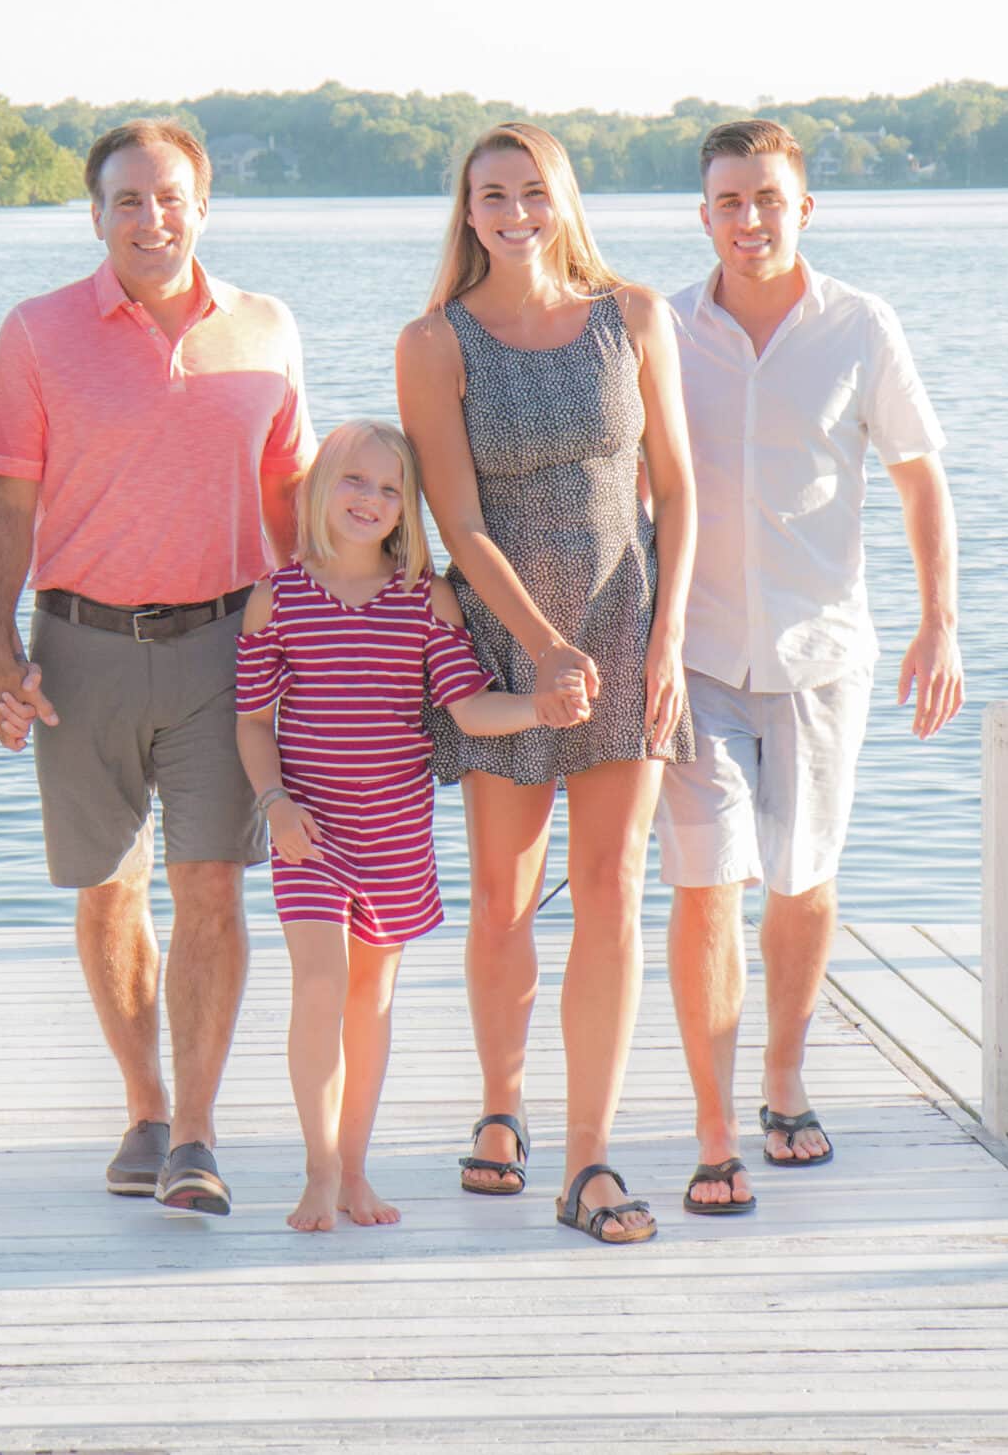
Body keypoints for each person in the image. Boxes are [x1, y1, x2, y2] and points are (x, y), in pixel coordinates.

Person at [0, 118, 314, 1218]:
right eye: (126, 200)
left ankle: (199, 1135)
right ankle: (145, 1107)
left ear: (202, 206)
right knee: (107, 888)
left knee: (212, 883)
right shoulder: (35, 334)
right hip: (79, 647)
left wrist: (314, 650)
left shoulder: (265, 329)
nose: (149, 218)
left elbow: (291, 506)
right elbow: (6, 505)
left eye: (169, 197)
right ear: (96, 215)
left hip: (228, 646)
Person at [394, 121, 695, 1246]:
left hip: (627, 630)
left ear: (562, 200)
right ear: (465, 212)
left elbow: (680, 491)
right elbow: (455, 520)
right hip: (504, 641)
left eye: (531, 191)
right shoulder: (435, 342)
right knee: (503, 900)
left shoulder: (635, 316)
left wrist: (664, 641)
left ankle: (589, 1160)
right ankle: (500, 1108)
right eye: (490, 194)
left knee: (614, 893)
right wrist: (539, 644)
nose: (512, 211)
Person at [660, 119, 962, 1217]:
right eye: (728, 202)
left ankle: (782, 1075)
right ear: (703, 216)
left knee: (796, 879)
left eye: (767, 200)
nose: (748, 221)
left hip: (821, 649)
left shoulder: (859, 328)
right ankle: (710, 1124)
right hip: (690, 656)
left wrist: (942, 625)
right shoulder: (661, 330)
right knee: (704, 885)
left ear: (804, 208)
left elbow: (919, 480)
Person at [235, 419, 557, 1232]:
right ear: (317, 489)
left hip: (395, 833)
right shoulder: (278, 597)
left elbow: (467, 707)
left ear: (407, 507)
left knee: (371, 997)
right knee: (318, 983)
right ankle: (315, 1168)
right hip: (308, 827)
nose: (370, 499)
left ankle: (353, 1170)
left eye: (389, 488)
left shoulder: (426, 597)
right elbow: (251, 722)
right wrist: (275, 805)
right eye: (353, 480)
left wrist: (540, 706)